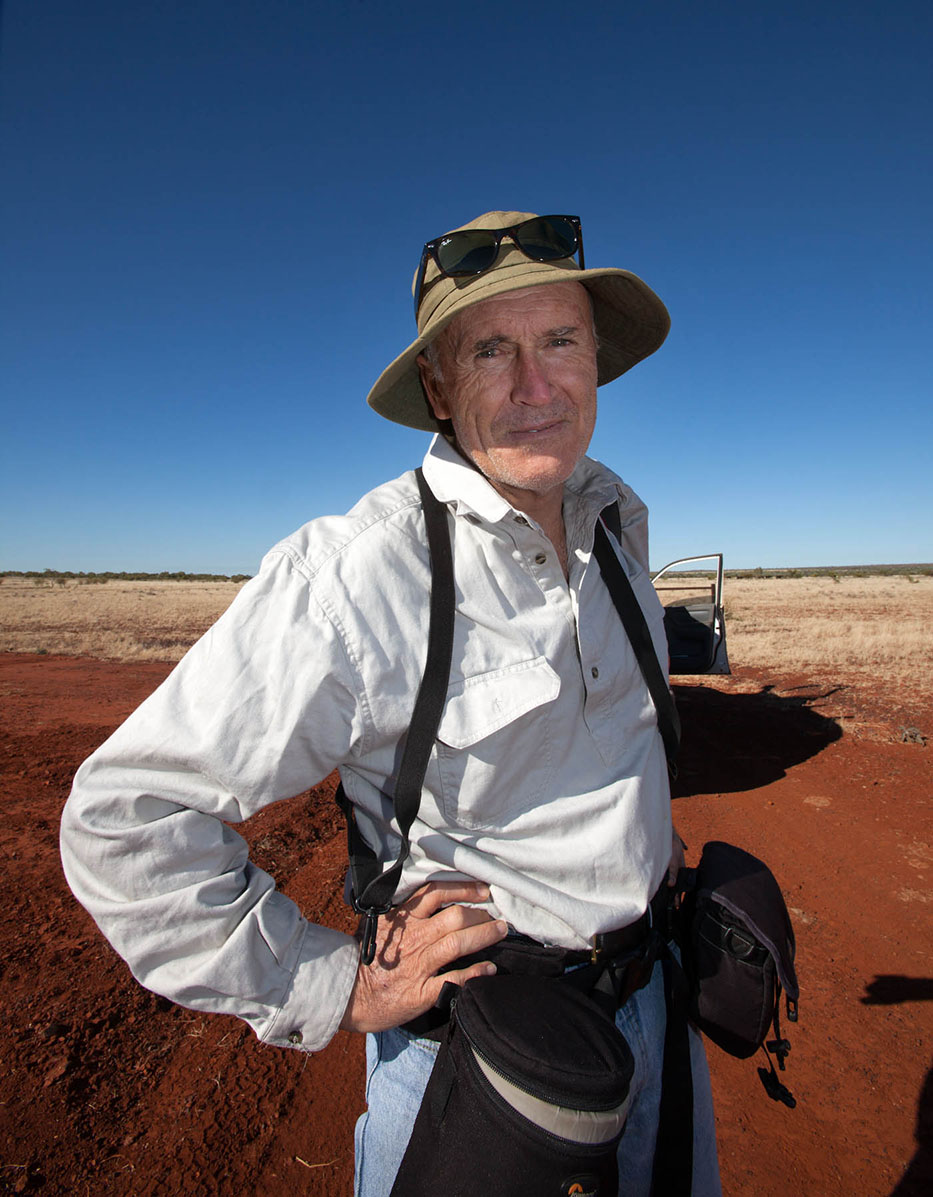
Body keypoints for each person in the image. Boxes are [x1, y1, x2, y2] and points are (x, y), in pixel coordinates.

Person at [61, 210, 721, 1195]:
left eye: (559, 342)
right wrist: (337, 985)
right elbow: (126, 817)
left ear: (598, 360)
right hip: (476, 1051)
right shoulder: (356, 576)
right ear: (437, 387)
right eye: (491, 350)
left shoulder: (617, 519)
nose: (534, 386)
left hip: (657, 1015)